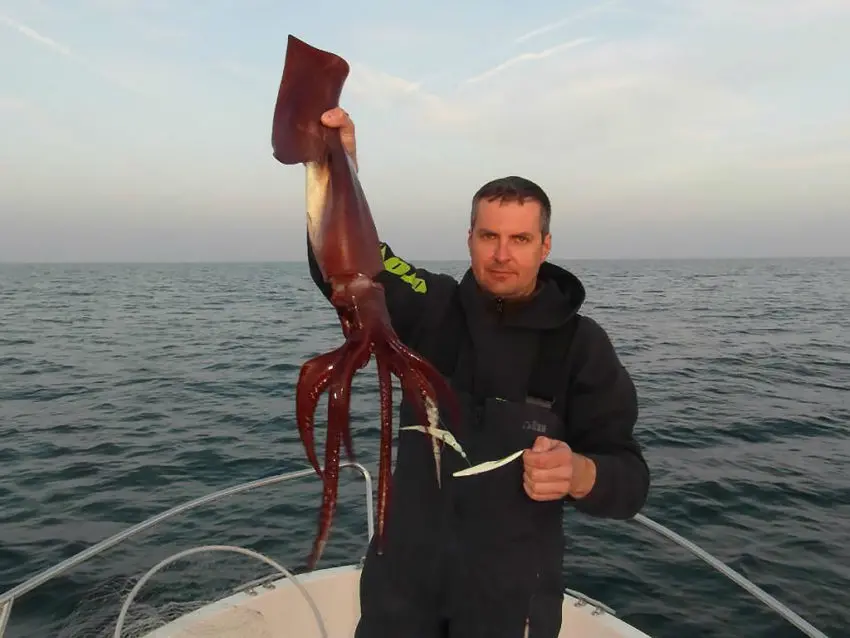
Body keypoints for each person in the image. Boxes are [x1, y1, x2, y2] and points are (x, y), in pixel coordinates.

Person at [306, 107, 651, 638]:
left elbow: (629, 479)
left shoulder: (580, 345)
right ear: (469, 238)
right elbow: (348, 264)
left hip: (510, 607)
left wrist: (579, 472)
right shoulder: (431, 303)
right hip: (401, 592)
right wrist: (335, 166)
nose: (502, 255)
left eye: (520, 239)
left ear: (546, 245)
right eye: (489, 236)